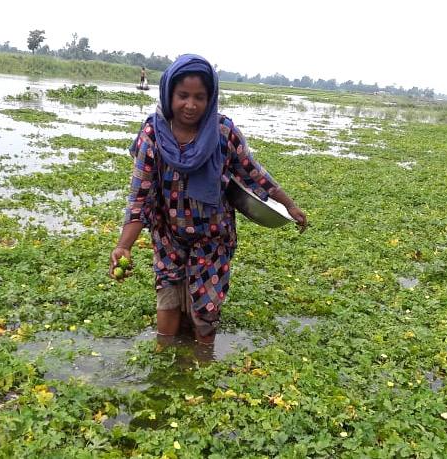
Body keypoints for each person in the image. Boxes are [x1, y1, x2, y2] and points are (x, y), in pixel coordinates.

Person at [109, 54, 306, 349]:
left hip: (213, 238)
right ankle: (165, 360)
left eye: (200, 97)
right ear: (169, 94)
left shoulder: (223, 131)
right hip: (168, 234)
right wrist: (123, 245)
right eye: (183, 96)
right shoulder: (153, 134)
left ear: (211, 97)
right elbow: (140, 195)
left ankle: (202, 361)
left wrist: (288, 204)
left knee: (206, 309)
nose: (191, 105)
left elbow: (253, 172)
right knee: (168, 296)